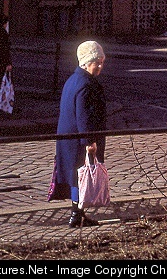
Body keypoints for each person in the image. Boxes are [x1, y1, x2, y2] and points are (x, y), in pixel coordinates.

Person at [48, 40, 107, 228]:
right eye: (96, 62)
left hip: (69, 137)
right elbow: (84, 116)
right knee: (80, 175)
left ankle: (78, 214)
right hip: (78, 140)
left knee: (76, 176)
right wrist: (90, 142)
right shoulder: (86, 84)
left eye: (102, 62)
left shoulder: (73, 80)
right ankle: (76, 215)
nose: (100, 66)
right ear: (86, 63)